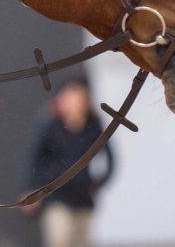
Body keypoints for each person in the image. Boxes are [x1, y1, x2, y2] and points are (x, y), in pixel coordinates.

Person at [22, 76, 114, 247]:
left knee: (82, 241)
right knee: (60, 238)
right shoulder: (50, 125)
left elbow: (110, 157)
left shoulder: (93, 126)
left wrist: (100, 183)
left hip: (83, 195)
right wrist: (31, 190)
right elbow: (34, 159)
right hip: (56, 194)